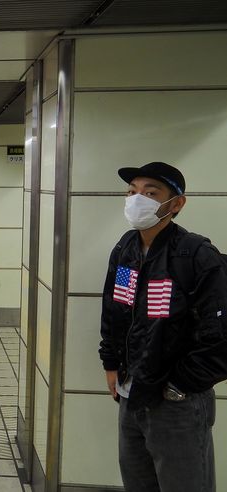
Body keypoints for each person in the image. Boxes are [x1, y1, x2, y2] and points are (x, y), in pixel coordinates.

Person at [99, 162, 227, 492]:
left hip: (177, 404)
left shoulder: (195, 254)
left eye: (150, 192)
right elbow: (116, 310)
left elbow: (221, 335)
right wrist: (111, 362)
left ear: (176, 204)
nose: (137, 199)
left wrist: (179, 384)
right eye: (132, 192)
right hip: (131, 394)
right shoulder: (126, 249)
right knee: (138, 483)